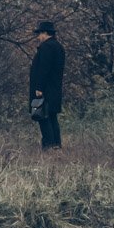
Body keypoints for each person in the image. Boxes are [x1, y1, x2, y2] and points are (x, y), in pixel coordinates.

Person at [29, 20, 65, 150]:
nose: (38, 37)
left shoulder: (46, 47)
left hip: (45, 90)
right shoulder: (58, 47)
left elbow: (44, 69)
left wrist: (39, 87)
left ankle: (49, 146)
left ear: (45, 33)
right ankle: (56, 145)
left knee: (43, 117)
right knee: (52, 117)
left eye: (39, 34)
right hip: (54, 88)